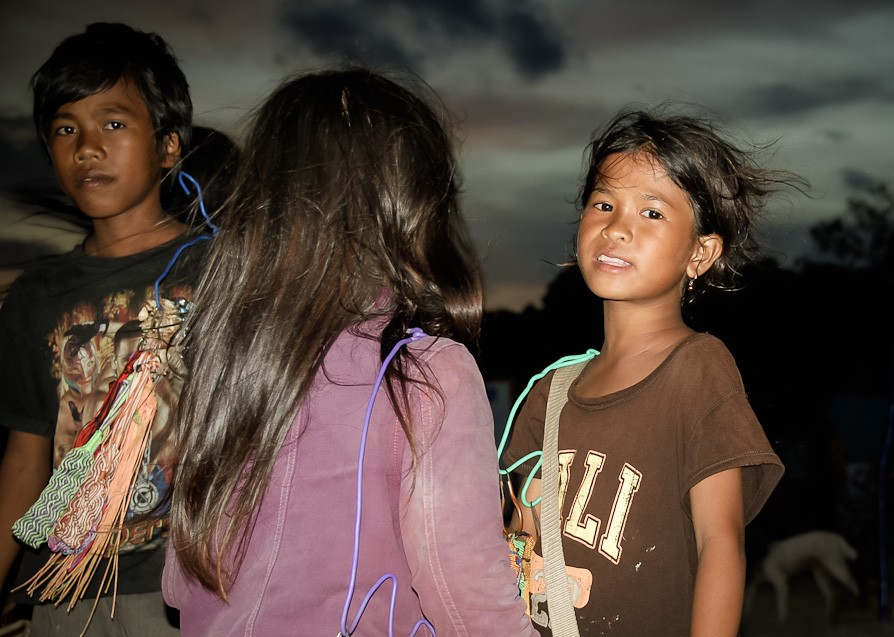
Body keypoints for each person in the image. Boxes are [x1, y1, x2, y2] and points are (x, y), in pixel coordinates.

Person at [162, 69, 537, 636]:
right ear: (409, 203)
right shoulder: (428, 372)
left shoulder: (226, 362)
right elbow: (463, 589)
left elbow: (177, 582)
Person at [503, 109, 792, 636]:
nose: (617, 227)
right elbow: (518, 539)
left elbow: (720, 543)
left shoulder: (698, 369)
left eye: (652, 213)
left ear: (700, 253)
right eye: (604, 204)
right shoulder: (550, 391)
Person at [0, 22, 202, 635]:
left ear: (168, 146)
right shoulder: (36, 297)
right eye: (66, 129)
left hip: (186, 590)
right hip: (63, 600)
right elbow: (25, 460)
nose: (87, 146)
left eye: (113, 124)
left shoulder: (222, 271)